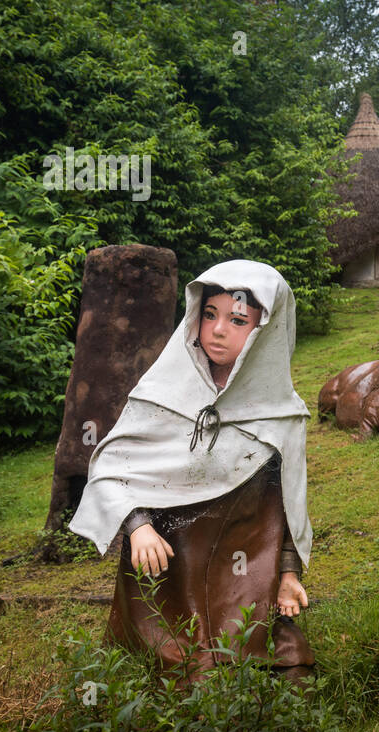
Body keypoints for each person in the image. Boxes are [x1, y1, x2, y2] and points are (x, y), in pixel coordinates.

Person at [69, 260, 314, 682]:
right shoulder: (163, 393)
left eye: (238, 320)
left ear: (266, 333)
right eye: (209, 315)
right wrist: (138, 525)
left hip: (244, 570)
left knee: (283, 662)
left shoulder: (281, 416)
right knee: (179, 666)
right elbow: (114, 466)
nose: (218, 330)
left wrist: (287, 574)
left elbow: (287, 504)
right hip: (170, 565)